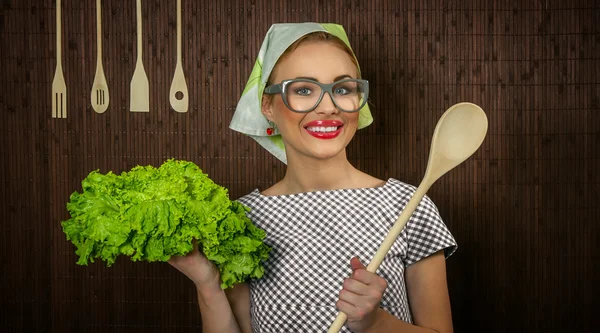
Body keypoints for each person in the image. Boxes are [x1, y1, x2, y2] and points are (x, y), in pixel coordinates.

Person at [169, 22, 457, 333]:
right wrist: (207, 283)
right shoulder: (241, 219)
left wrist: (376, 323)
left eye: (343, 89)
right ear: (267, 105)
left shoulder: (409, 205)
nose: (328, 106)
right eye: (304, 90)